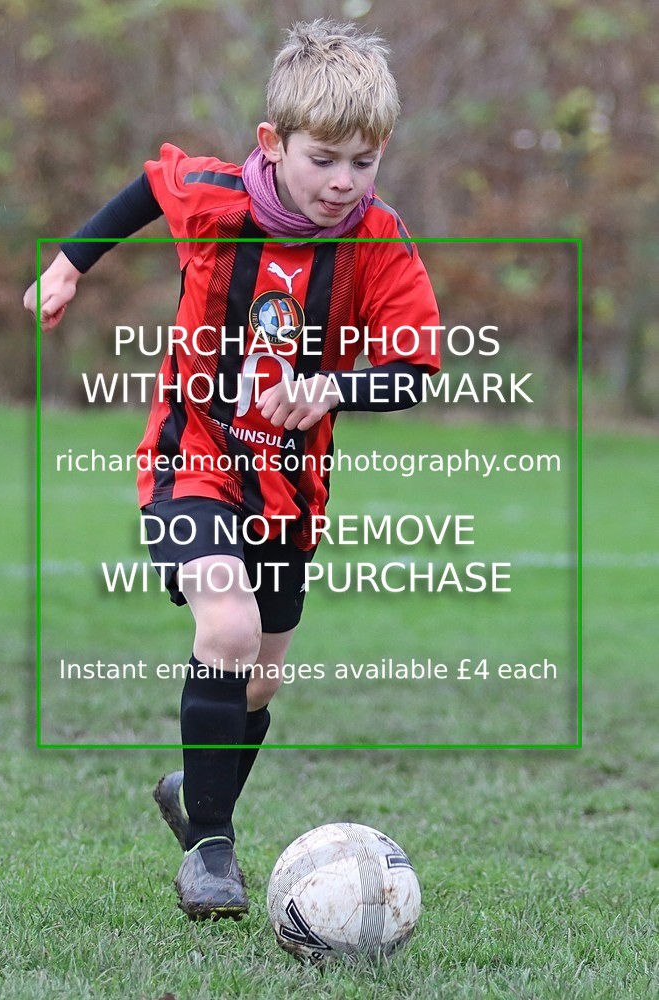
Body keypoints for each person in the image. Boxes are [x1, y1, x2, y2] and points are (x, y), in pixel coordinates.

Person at [24, 18, 441, 921]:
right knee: (227, 625)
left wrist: (332, 387)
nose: (342, 182)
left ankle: (195, 797)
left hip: (291, 492)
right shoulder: (217, 197)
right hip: (190, 462)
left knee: (259, 678)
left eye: (362, 163)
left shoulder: (376, 241)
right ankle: (212, 852)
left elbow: (416, 366)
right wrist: (67, 265)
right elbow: (147, 185)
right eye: (323, 158)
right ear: (272, 144)